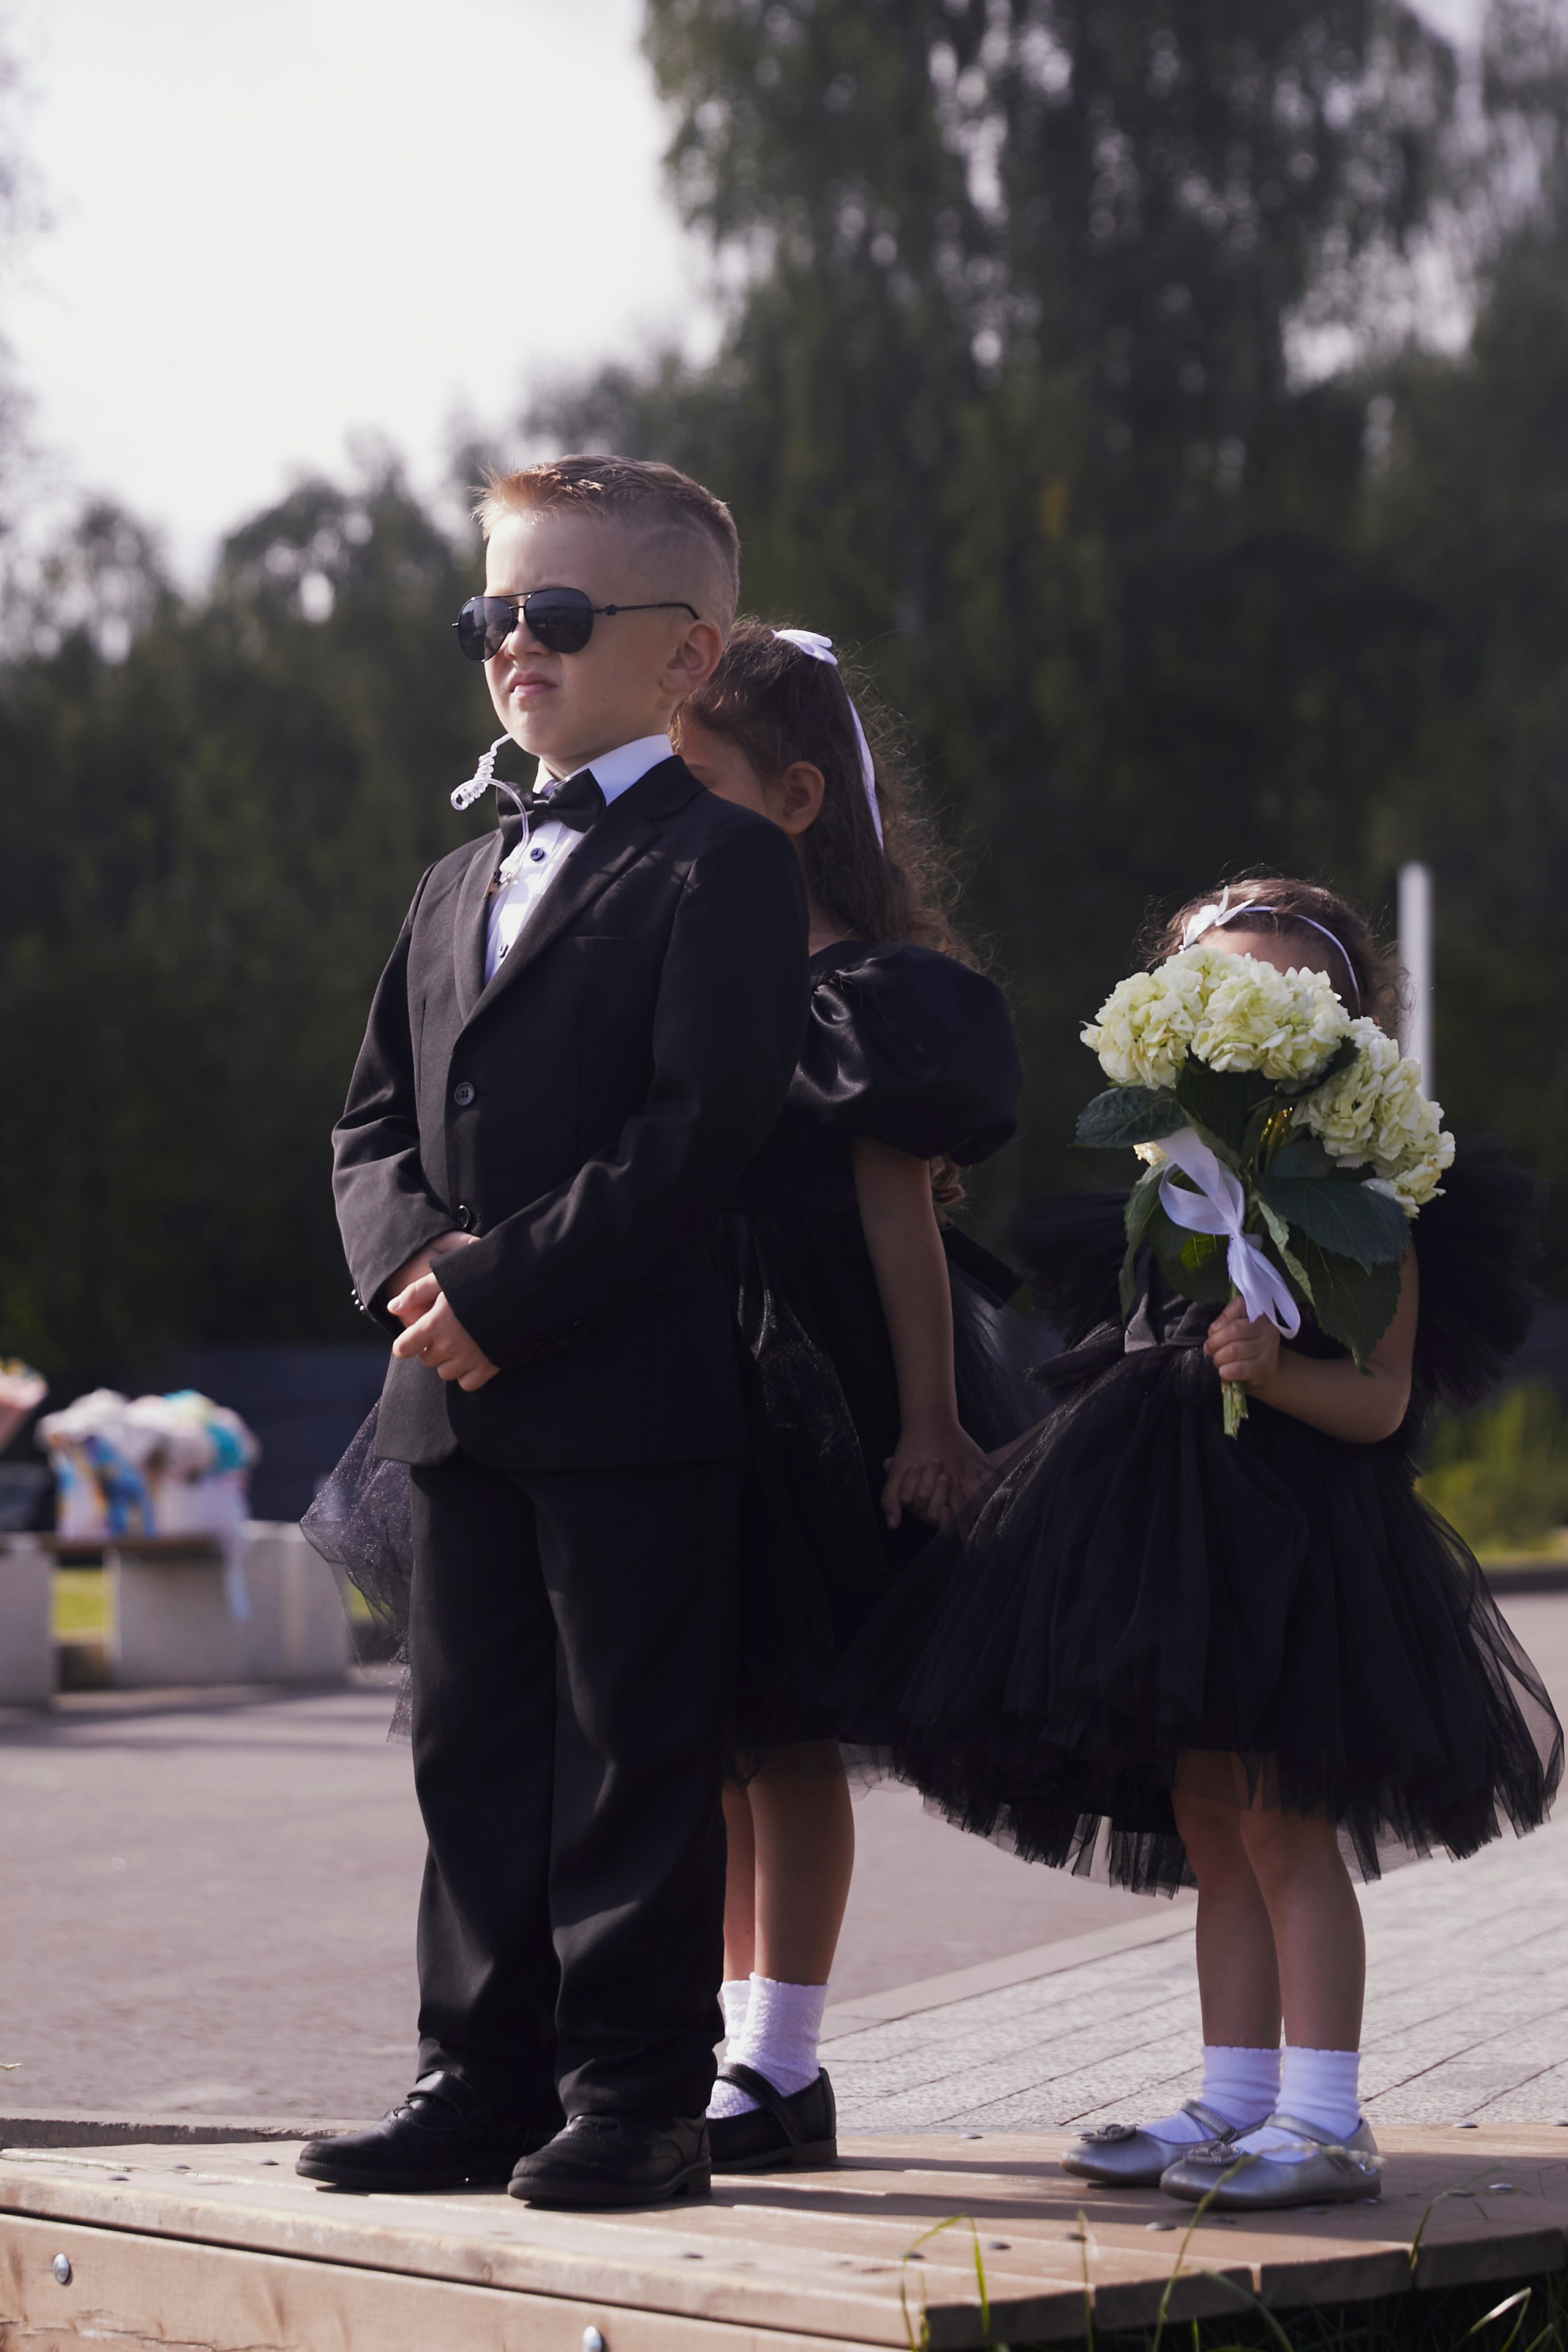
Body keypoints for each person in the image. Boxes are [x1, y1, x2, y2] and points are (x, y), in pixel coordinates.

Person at [833, 876, 1562, 2212]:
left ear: (1338, 1036)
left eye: (1281, 1008)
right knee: (1208, 1822)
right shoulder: (1167, 1189)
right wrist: (1004, 1472)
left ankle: (1325, 2115)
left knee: (1286, 1827)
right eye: (1214, 1002)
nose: (1239, 1047)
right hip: (1167, 1547)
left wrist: (1279, 1373)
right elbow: (1125, 1361)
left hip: (1293, 1552)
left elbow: (1382, 1399)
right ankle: (1232, 2098)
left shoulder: (1367, 1201)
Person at [299, 457, 810, 2211]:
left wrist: (504, 1288)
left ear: (686, 656)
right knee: (475, 1751)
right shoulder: (457, 881)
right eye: (493, 614)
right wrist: (412, 1283)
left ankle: (639, 2099)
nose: (517, 643)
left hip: (627, 1390)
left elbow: (700, 1127)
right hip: (449, 1397)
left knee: (630, 1754)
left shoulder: (722, 865)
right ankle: (476, 2075)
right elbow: (370, 1121)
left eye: (561, 614)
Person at [673, 623, 1031, 2171]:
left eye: (699, 787)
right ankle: (708, 2048)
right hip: (681, 1362)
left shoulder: (866, 993)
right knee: (706, 1733)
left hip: (817, 1373)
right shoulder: (677, 964)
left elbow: (901, 1221)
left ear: (800, 798)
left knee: (790, 1726)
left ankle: (783, 2059)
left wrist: (932, 1421)